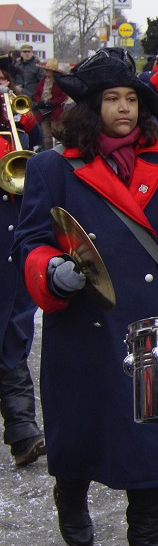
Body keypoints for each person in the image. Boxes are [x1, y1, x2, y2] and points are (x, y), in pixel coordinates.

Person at [13, 48, 158, 546]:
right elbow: (29, 242)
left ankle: (146, 542)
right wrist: (51, 271)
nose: (124, 109)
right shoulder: (51, 167)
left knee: (151, 430)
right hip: (84, 320)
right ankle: (70, 493)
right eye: (112, 99)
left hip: (148, 320)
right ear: (91, 108)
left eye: (131, 99)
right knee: (79, 422)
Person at [0, 55, 46, 469]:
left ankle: (23, 431)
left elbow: (37, 152)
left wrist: (22, 117)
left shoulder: (16, 116)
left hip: (12, 227)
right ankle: (22, 430)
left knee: (16, 326)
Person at [32, 58, 69, 147]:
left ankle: (58, 153)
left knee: (58, 135)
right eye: (46, 70)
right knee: (46, 136)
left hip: (55, 112)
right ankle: (47, 152)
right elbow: (36, 93)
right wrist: (40, 102)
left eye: (49, 70)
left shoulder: (59, 82)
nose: (46, 71)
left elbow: (63, 96)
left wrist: (52, 103)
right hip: (43, 113)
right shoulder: (43, 81)